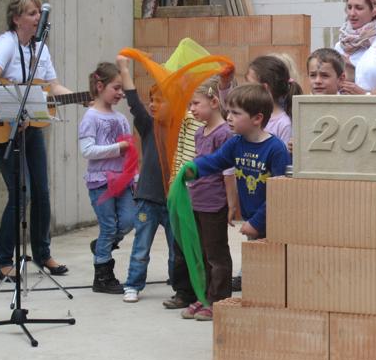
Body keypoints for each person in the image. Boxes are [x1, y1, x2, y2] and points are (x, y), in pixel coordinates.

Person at [0, 0, 72, 280]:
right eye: (31, 13)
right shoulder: (6, 43)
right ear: (16, 19)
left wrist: (84, 98)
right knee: (22, 193)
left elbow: (53, 86)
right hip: (6, 128)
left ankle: (43, 254)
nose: (37, 18)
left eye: (38, 13)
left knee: (42, 193)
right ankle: (4, 258)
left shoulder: (40, 49)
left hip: (32, 127)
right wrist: (8, 111)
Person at [185, 84, 291, 301]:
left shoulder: (276, 150)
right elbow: (216, 161)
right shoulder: (236, 143)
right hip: (255, 221)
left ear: (257, 118)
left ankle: (275, 303)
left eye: (235, 113)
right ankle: (261, 303)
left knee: (274, 267)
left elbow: (280, 195)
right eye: (229, 112)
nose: (229, 117)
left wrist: (257, 222)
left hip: (274, 222)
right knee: (258, 267)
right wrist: (195, 170)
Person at [116, 55, 184, 303]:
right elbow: (133, 102)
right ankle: (133, 284)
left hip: (173, 200)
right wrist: (124, 69)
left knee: (176, 248)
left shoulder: (182, 127)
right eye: (152, 100)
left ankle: (178, 285)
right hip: (147, 199)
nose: (153, 105)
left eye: (160, 100)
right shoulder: (148, 126)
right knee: (141, 247)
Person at [180, 78, 236, 321]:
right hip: (198, 199)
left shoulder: (224, 134)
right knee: (202, 253)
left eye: (195, 103)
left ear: (214, 102)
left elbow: (228, 172)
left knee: (216, 254)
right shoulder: (200, 132)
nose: (191, 109)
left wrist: (232, 204)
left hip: (215, 202)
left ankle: (218, 299)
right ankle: (204, 296)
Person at [78, 62, 135, 294]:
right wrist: (117, 147)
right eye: (117, 87)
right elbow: (87, 150)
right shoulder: (90, 117)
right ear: (100, 86)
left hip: (122, 181)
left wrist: (135, 176)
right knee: (109, 226)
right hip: (100, 182)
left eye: (122, 88)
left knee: (130, 219)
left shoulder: (120, 118)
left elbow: (129, 151)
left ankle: (102, 245)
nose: (121, 93)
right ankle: (102, 276)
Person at [244, 55, 304, 146]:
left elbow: (283, 158)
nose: (244, 88)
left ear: (264, 88)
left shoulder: (283, 124)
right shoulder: (248, 114)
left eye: (249, 84)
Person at [334, 0, 376, 81]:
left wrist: (353, 69)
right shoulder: (340, 45)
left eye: (359, 8)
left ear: (373, 11)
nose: (352, 13)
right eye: (349, 7)